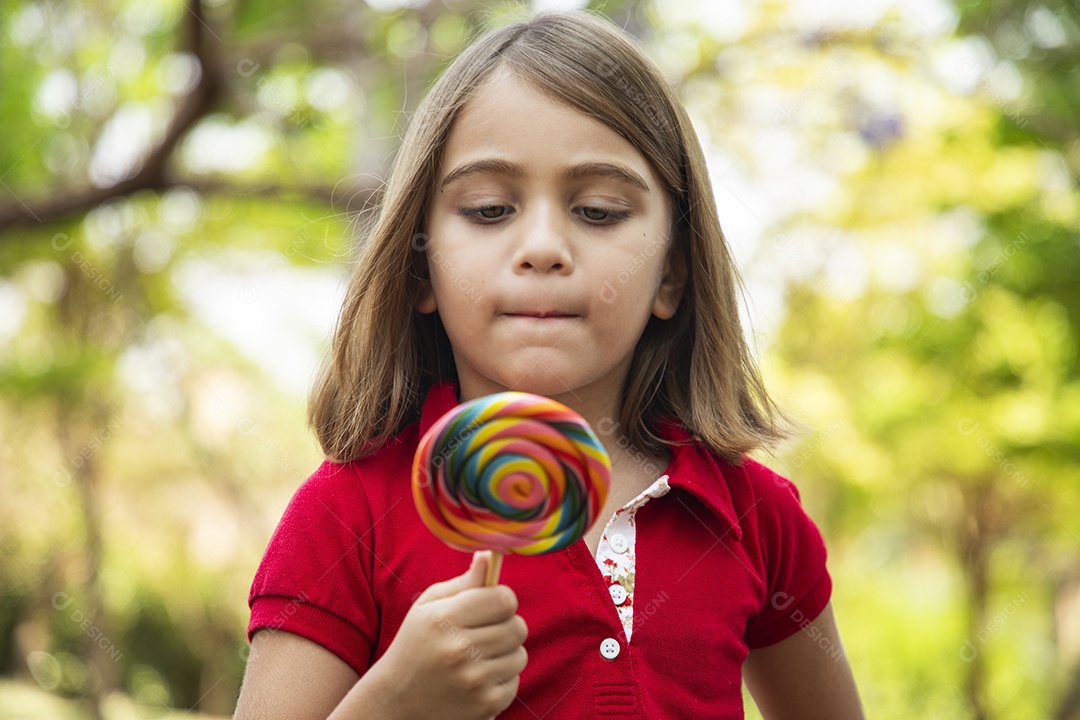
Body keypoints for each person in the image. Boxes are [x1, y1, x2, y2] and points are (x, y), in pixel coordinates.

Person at [234, 10, 864, 720]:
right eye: (489, 208)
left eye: (597, 211)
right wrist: (394, 705)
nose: (543, 246)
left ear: (672, 276)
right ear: (419, 270)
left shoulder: (754, 518)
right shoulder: (347, 515)